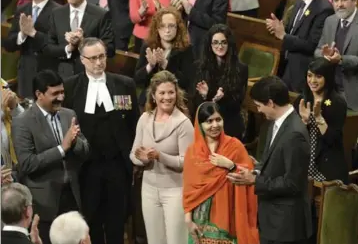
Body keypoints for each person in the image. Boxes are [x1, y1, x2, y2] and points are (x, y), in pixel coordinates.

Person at [63, 37, 139, 244]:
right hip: (86, 168)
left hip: (117, 165)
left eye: (102, 57)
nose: (99, 62)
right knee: (91, 221)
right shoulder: (70, 87)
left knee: (116, 221)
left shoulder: (125, 84)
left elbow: (134, 124)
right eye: (93, 58)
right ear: (82, 60)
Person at [227, 76, 312, 244]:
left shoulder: (294, 134)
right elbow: (272, 162)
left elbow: (293, 183)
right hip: (272, 220)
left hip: (286, 226)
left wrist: (255, 181)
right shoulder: (276, 124)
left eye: (259, 105)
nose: (258, 111)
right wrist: (256, 169)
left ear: (271, 103)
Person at [12, 70, 90, 244]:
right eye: (55, 93)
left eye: (62, 92)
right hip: (44, 202)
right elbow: (27, 164)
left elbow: (85, 151)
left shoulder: (69, 115)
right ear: (39, 94)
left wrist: (75, 141)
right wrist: (62, 148)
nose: (61, 98)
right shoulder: (23, 122)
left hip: (72, 196)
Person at [130, 70, 193, 244]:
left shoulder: (183, 123)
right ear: (153, 95)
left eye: (171, 92)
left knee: (175, 240)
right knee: (155, 240)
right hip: (149, 190)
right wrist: (143, 159)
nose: (167, 97)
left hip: (175, 191)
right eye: (162, 93)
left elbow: (187, 162)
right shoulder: (145, 119)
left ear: (177, 93)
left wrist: (160, 156)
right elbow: (133, 154)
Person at [183, 102, 258, 244]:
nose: (215, 125)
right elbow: (189, 189)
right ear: (200, 125)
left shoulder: (235, 146)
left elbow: (249, 176)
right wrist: (188, 219)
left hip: (229, 217)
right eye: (209, 121)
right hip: (200, 219)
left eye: (218, 119)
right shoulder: (192, 152)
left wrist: (230, 165)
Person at [266, 0, 334, 92]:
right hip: (286, 65)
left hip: (302, 71)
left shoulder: (324, 9)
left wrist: (284, 36)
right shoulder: (299, 1)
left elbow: (311, 45)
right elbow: (291, 31)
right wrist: (277, 28)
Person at [44, 0, 114, 79]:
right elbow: (49, 48)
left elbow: (109, 49)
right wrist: (69, 48)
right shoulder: (56, 13)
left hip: (90, 76)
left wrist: (83, 42)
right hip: (63, 78)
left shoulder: (100, 15)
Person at [4, 0, 60, 98]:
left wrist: (33, 33)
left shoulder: (58, 12)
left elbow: (57, 45)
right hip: (25, 73)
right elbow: (9, 45)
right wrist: (22, 35)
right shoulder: (22, 9)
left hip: (48, 73)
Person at [294, 58, 348, 183]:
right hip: (303, 159)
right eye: (309, 75)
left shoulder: (336, 102)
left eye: (318, 76)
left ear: (327, 77)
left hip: (326, 163)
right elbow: (294, 136)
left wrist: (318, 118)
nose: (312, 81)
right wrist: (304, 121)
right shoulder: (301, 100)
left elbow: (332, 139)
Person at [192, 24, 248, 140]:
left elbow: (238, 102)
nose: (220, 46)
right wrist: (204, 96)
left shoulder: (240, 68)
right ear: (210, 45)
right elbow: (194, 99)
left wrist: (214, 96)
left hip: (228, 122)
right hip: (205, 121)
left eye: (224, 42)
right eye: (216, 42)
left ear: (229, 44)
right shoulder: (199, 66)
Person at [134, 7, 194, 108]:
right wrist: (150, 66)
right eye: (162, 26)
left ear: (177, 28)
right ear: (157, 28)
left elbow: (186, 83)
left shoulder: (186, 49)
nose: (167, 30)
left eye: (171, 26)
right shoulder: (148, 46)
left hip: (175, 102)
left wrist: (165, 64)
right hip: (150, 100)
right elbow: (138, 80)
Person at [1, 79, 24, 183]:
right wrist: (1, 109)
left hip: (13, 162)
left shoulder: (2, 84)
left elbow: (23, 120)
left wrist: (15, 107)